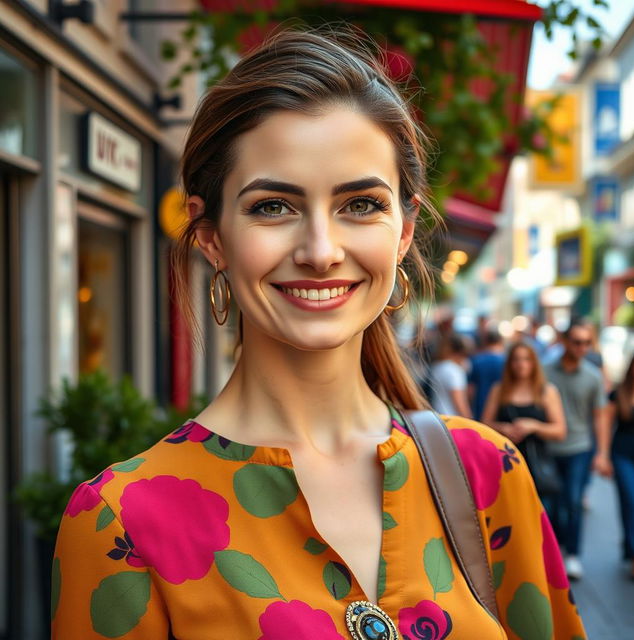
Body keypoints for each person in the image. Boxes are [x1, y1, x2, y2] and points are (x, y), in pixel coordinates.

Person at [51, 27, 585, 639]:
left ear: (404, 231)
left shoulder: (489, 472)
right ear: (212, 238)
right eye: (273, 206)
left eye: (360, 205)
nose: (321, 251)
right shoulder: (123, 522)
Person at [545, 318, 609, 581]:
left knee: (572, 501)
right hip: (547, 447)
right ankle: (554, 549)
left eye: (587, 343)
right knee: (550, 504)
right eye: (577, 342)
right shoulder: (545, 371)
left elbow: (600, 416)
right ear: (565, 341)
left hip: (579, 448)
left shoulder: (593, 376)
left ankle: (572, 554)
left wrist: (602, 453)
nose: (582, 347)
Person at [481, 342, 566, 507]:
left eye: (527, 359)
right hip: (505, 464)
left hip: (536, 462)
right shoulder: (499, 390)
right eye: (516, 359)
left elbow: (560, 431)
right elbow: (484, 424)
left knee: (540, 515)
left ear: (534, 363)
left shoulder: (546, 391)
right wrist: (503, 428)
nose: (521, 364)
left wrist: (534, 426)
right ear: (510, 363)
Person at [605, 350, 634, 582]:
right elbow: (606, 424)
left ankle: (631, 545)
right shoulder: (619, 394)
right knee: (632, 503)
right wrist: (603, 456)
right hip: (623, 454)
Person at [428, 333, 473, 418]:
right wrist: (470, 421)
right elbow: (459, 402)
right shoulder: (455, 371)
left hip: (436, 416)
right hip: (452, 419)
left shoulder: (437, 366)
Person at [467, 327, 505, 420]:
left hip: (480, 406)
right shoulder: (507, 361)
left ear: (485, 341)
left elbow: (470, 390)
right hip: (502, 408)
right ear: (501, 341)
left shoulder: (476, 361)